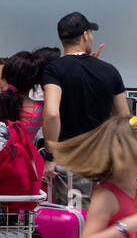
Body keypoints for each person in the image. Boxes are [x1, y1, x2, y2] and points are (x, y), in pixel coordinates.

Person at [42, 12, 129, 147]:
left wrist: (50, 156)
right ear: (85, 36)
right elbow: (124, 118)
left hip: (68, 155)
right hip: (101, 155)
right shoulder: (110, 70)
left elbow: (52, 114)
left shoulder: (53, 69)